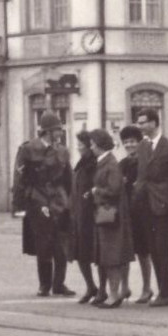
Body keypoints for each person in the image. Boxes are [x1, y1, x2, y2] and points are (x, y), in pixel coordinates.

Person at [15, 111, 75, 297]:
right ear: (48, 131)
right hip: (38, 199)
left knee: (62, 244)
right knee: (44, 244)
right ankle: (44, 284)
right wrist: (20, 205)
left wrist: (70, 202)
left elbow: (68, 178)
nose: (60, 132)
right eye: (58, 129)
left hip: (60, 200)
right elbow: (20, 179)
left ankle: (59, 284)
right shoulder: (28, 149)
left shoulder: (63, 151)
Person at [134, 110, 168, 307]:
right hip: (145, 205)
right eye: (138, 122)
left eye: (143, 122)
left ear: (154, 123)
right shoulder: (142, 146)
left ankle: (166, 292)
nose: (139, 126)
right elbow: (141, 176)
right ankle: (164, 291)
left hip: (162, 206)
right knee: (154, 249)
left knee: (163, 249)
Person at [88, 129, 134, 308]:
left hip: (111, 217)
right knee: (107, 256)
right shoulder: (105, 162)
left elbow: (113, 190)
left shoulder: (110, 163)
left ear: (99, 145)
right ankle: (112, 294)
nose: (90, 147)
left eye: (92, 144)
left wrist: (96, 191)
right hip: (105, 215)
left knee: (112, 257)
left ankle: (114, 296)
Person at [118, 125, 149, 301]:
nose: (129, 145)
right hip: (125, 213)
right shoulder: (122, 164)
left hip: (142, 213)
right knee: (124, 251)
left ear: (138, 143)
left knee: (143, 252)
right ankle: (125, 287)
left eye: (132, 141)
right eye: (126, 142)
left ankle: (146, 288)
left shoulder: (144, 163)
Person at [69, 130, 101, 303]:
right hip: (79, 214)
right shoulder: (81, 164)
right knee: (81, 253)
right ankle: (91, 286)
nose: (78, 147)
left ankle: (101, 289)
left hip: (91, 214)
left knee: (96, 253)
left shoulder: (95, 164)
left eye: (81, 145)